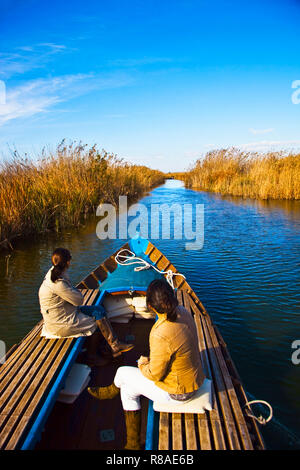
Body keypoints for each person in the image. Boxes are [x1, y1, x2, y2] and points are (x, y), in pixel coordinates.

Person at [88, 278, 205, 449]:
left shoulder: (160, 332)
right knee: (128, 388)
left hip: (178, 392)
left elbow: (155, 374)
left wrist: (143, 363)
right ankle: (132, 442)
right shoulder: (183, 312)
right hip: (193, 380)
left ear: (150, 306)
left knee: (122, 373)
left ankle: (111, 391)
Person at [38, 247, 134, 366]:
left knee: (98, 310)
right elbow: (79, 300)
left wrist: (73, 292)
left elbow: (74, 297)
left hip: (65, 312)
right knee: (96, 325)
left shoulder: (54, 273)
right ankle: (92, 357)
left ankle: (113, 346)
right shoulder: (58, 283)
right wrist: (74, 292)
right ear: (67, 262)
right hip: (60, 323)